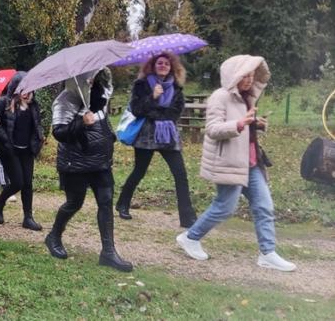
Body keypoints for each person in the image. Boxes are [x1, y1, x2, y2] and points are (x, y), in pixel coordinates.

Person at [176, 55, 296, 272]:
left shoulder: (247, 97)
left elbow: (244, 126)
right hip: (229, 163)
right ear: (234, 75)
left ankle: (267, 253)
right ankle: (190, 237)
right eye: (245, 75)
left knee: (264, 206)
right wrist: (240, 123)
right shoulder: (219, 97)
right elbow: (213, 129)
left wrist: (255, 125)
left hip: (252, 163)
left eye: (252, 75)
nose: (249, 80)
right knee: (224, 208)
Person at [44, 68, 133, 272]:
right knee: (74, 203)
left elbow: (102, 122)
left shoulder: (99, 95)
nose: (92, 79)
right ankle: (53, 236)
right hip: (75, 163)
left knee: (106, 201)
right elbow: (59, 132)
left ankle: (108, 252)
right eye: (89, 76)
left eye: (95, 75)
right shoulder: (65, 99)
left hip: (100, 162)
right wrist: (81, 123)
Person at [116, 52, 197, 228]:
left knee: (180, 174)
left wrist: (155, 114)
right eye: (159, 63)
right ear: (152, 66)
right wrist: (152, 97)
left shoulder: (176, 88)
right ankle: (122, 203)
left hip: (168, 136)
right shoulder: (141, 85)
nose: (163, 66)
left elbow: (175, 113)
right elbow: (136, 109)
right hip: (146, 136)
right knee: (139, 171)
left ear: (172, 67)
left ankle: (187, 216)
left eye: (166, 64)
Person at [0, 71, 45, 231]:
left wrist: (39, 137)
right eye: (24, 89)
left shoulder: (34, 105)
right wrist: (6, 140)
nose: (27, 93)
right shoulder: (2, 104)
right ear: (15, 89)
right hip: (9, 150)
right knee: (17, 182)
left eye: (30, 89)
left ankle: (28, 218)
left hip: (27, 150)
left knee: (28, 183)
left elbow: (37, 124)